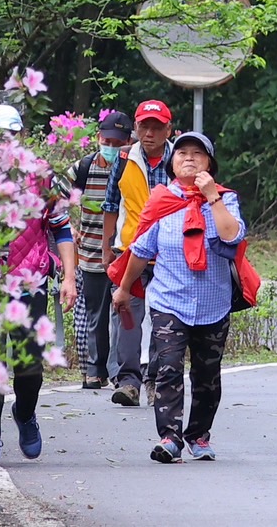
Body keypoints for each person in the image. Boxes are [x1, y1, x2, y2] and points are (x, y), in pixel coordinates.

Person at [112, 131, 246, 464]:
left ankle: (198, 436)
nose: (189, 158)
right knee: (168, 369)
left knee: (207, 375)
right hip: (169, 302)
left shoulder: (225, 199)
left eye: (198, 154)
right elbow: (141, 250)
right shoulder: (162, 200)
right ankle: (169, 437)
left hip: (213, 304)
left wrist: (211, 196)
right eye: (182, 152)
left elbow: (232, 236)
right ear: (173, 163)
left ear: (210, 164)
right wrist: (125, 288)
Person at [0, 104, 78, 466]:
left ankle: (25, 413)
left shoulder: (42, 177)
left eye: (10, 134)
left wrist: (68, 277)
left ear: (20, 136)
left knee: (29, 365)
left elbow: (61, 228)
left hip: (29, 283)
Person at [100, 99, 174, 407]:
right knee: (127, 313)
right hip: (131, 248)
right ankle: (128, 381)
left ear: (168, 129)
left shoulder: (180, 157)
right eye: (144, 126)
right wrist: (106, 248)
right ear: (136, 128)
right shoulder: (125, 157)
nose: (150, 133)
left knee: (165, 319)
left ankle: (154, 379)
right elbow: (111, 204)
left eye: (157, 128)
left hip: (171, 252)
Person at [73, 111, 134, 389]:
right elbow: (55, 199)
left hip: (123, 253)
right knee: (96, 313)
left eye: (118, 142)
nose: (112, 147)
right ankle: (96, 370)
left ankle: (121, 371)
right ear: (98, 138)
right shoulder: (83, 168)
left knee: (122, 313)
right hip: (90, 252)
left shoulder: (129, 167)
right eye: (107, 140)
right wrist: (68, 228)